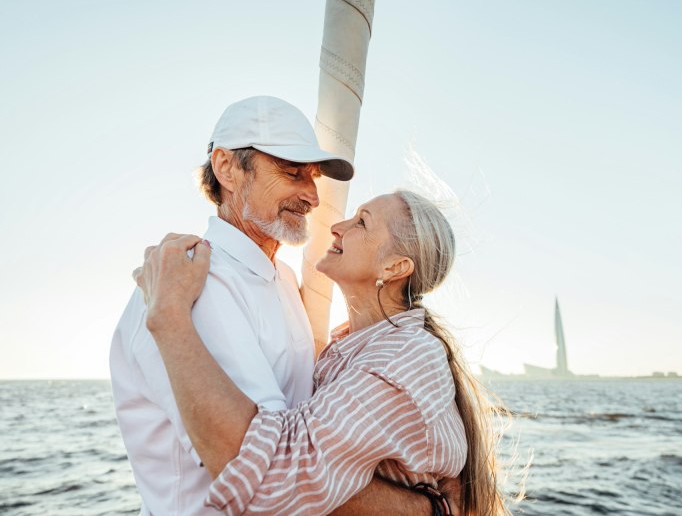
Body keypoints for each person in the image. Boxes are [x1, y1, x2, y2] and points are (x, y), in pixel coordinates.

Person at [111, 96, 446, 515]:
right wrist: (429, 509)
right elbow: (267, 469)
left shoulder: (284, 280)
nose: (312, 196)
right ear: (227, 168)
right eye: (291, 173)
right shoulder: (195, 284)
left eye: (313, 177)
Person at [135, 190, 507, 515]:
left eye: (362, 222)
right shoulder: (351, 347)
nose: (337, 226)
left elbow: (278, 480)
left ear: (395, 267)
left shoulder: (402, 360)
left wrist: (169, 316)